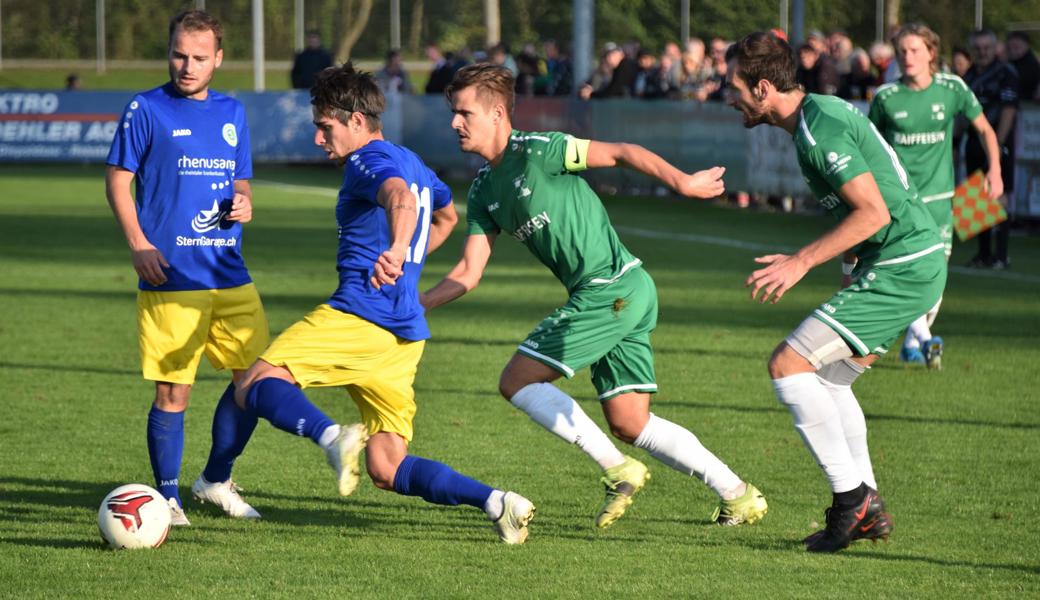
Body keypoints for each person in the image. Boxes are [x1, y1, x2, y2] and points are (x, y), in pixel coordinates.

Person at [191, 63, 536, 544]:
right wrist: (407, 260)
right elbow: (446, 215)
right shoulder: (411, 160)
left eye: (324, 126)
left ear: (356, 121)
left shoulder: (365, 161)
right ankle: (497, 502)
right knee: (387, 467)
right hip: (404, 335)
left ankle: (323, 439)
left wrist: (395, 251)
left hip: (360, 315)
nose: (318, 138)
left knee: (252, 382)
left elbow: (400, 200)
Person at [423, 64, 768, 529]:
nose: (454, 123)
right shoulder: (485, 190)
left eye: (464, 113)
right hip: (618, 294)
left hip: (613, 288)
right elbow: (468, 271)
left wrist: (683, 183)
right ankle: (737, 493)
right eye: (453, 113)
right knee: (630, 422)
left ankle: (617, 470)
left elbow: (623, 152)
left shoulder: (542, 150)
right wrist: (413, 304)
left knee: (516, 380)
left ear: (498, 113)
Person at [726, 32, 946, 552]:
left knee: (788, 365)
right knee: (829, 381)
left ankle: (853, 502)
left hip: (902, 266)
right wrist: (848, 272)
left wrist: (801, 261)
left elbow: (874, 213)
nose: (727, 95)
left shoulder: (819, 129)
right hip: (900, 263)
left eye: (732, 85)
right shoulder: (812, 120)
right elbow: (854, 212)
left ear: (762, 88)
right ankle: (865, 506)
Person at [104, 10, 268, 526]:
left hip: (229, 272)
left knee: (259, 382)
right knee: (175, 391)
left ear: (218, 58)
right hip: (170, 275)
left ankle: (215, 480)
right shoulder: (146, 108)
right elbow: (117, 179)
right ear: (169, 51)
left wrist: (244, 204)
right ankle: (167, 499)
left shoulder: (233, 112)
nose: (187, 65)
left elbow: (239, 184)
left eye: (199, 57)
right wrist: (138, 243)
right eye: (179, 54)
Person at [869, 24, 1002, 369]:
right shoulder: (885, 98)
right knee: (909, 276)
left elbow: (986, 130)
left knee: (935, 283)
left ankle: (913, 343)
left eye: (915, 50)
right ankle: (926, 342)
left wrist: (995, 172)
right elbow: (871, 150)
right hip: (900, 203)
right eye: (902, 51)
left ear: (931, 52)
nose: (907, 57)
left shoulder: (952, 88)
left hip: (942, 200)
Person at [964, 29, 1018, 269]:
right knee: (976, 197)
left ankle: (1001, 254)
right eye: (978, 48)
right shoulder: (969, 75)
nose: (982, 52)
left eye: (987, 47)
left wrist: (999, 144)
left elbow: (1009, 109)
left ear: (994, 48)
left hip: (998, 144)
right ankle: (983, 253)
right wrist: (955, 142)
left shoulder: (1006, 73)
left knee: (999, 197)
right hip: (974, 144)